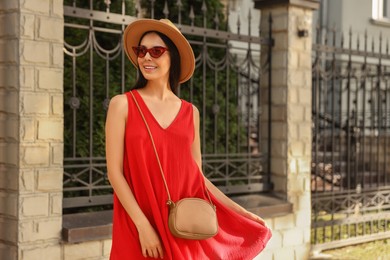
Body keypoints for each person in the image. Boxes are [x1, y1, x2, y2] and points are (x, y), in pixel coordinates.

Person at [105, 18, 272, 260]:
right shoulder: (122, 105)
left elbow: (198, 178)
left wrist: (239, 210)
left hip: (180, 226)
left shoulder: (190, 113)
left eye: (156, 51)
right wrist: (143, 226)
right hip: (138, 224)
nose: (146, 58)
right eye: (141, 51)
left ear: (173, 57)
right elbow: (114, 173)